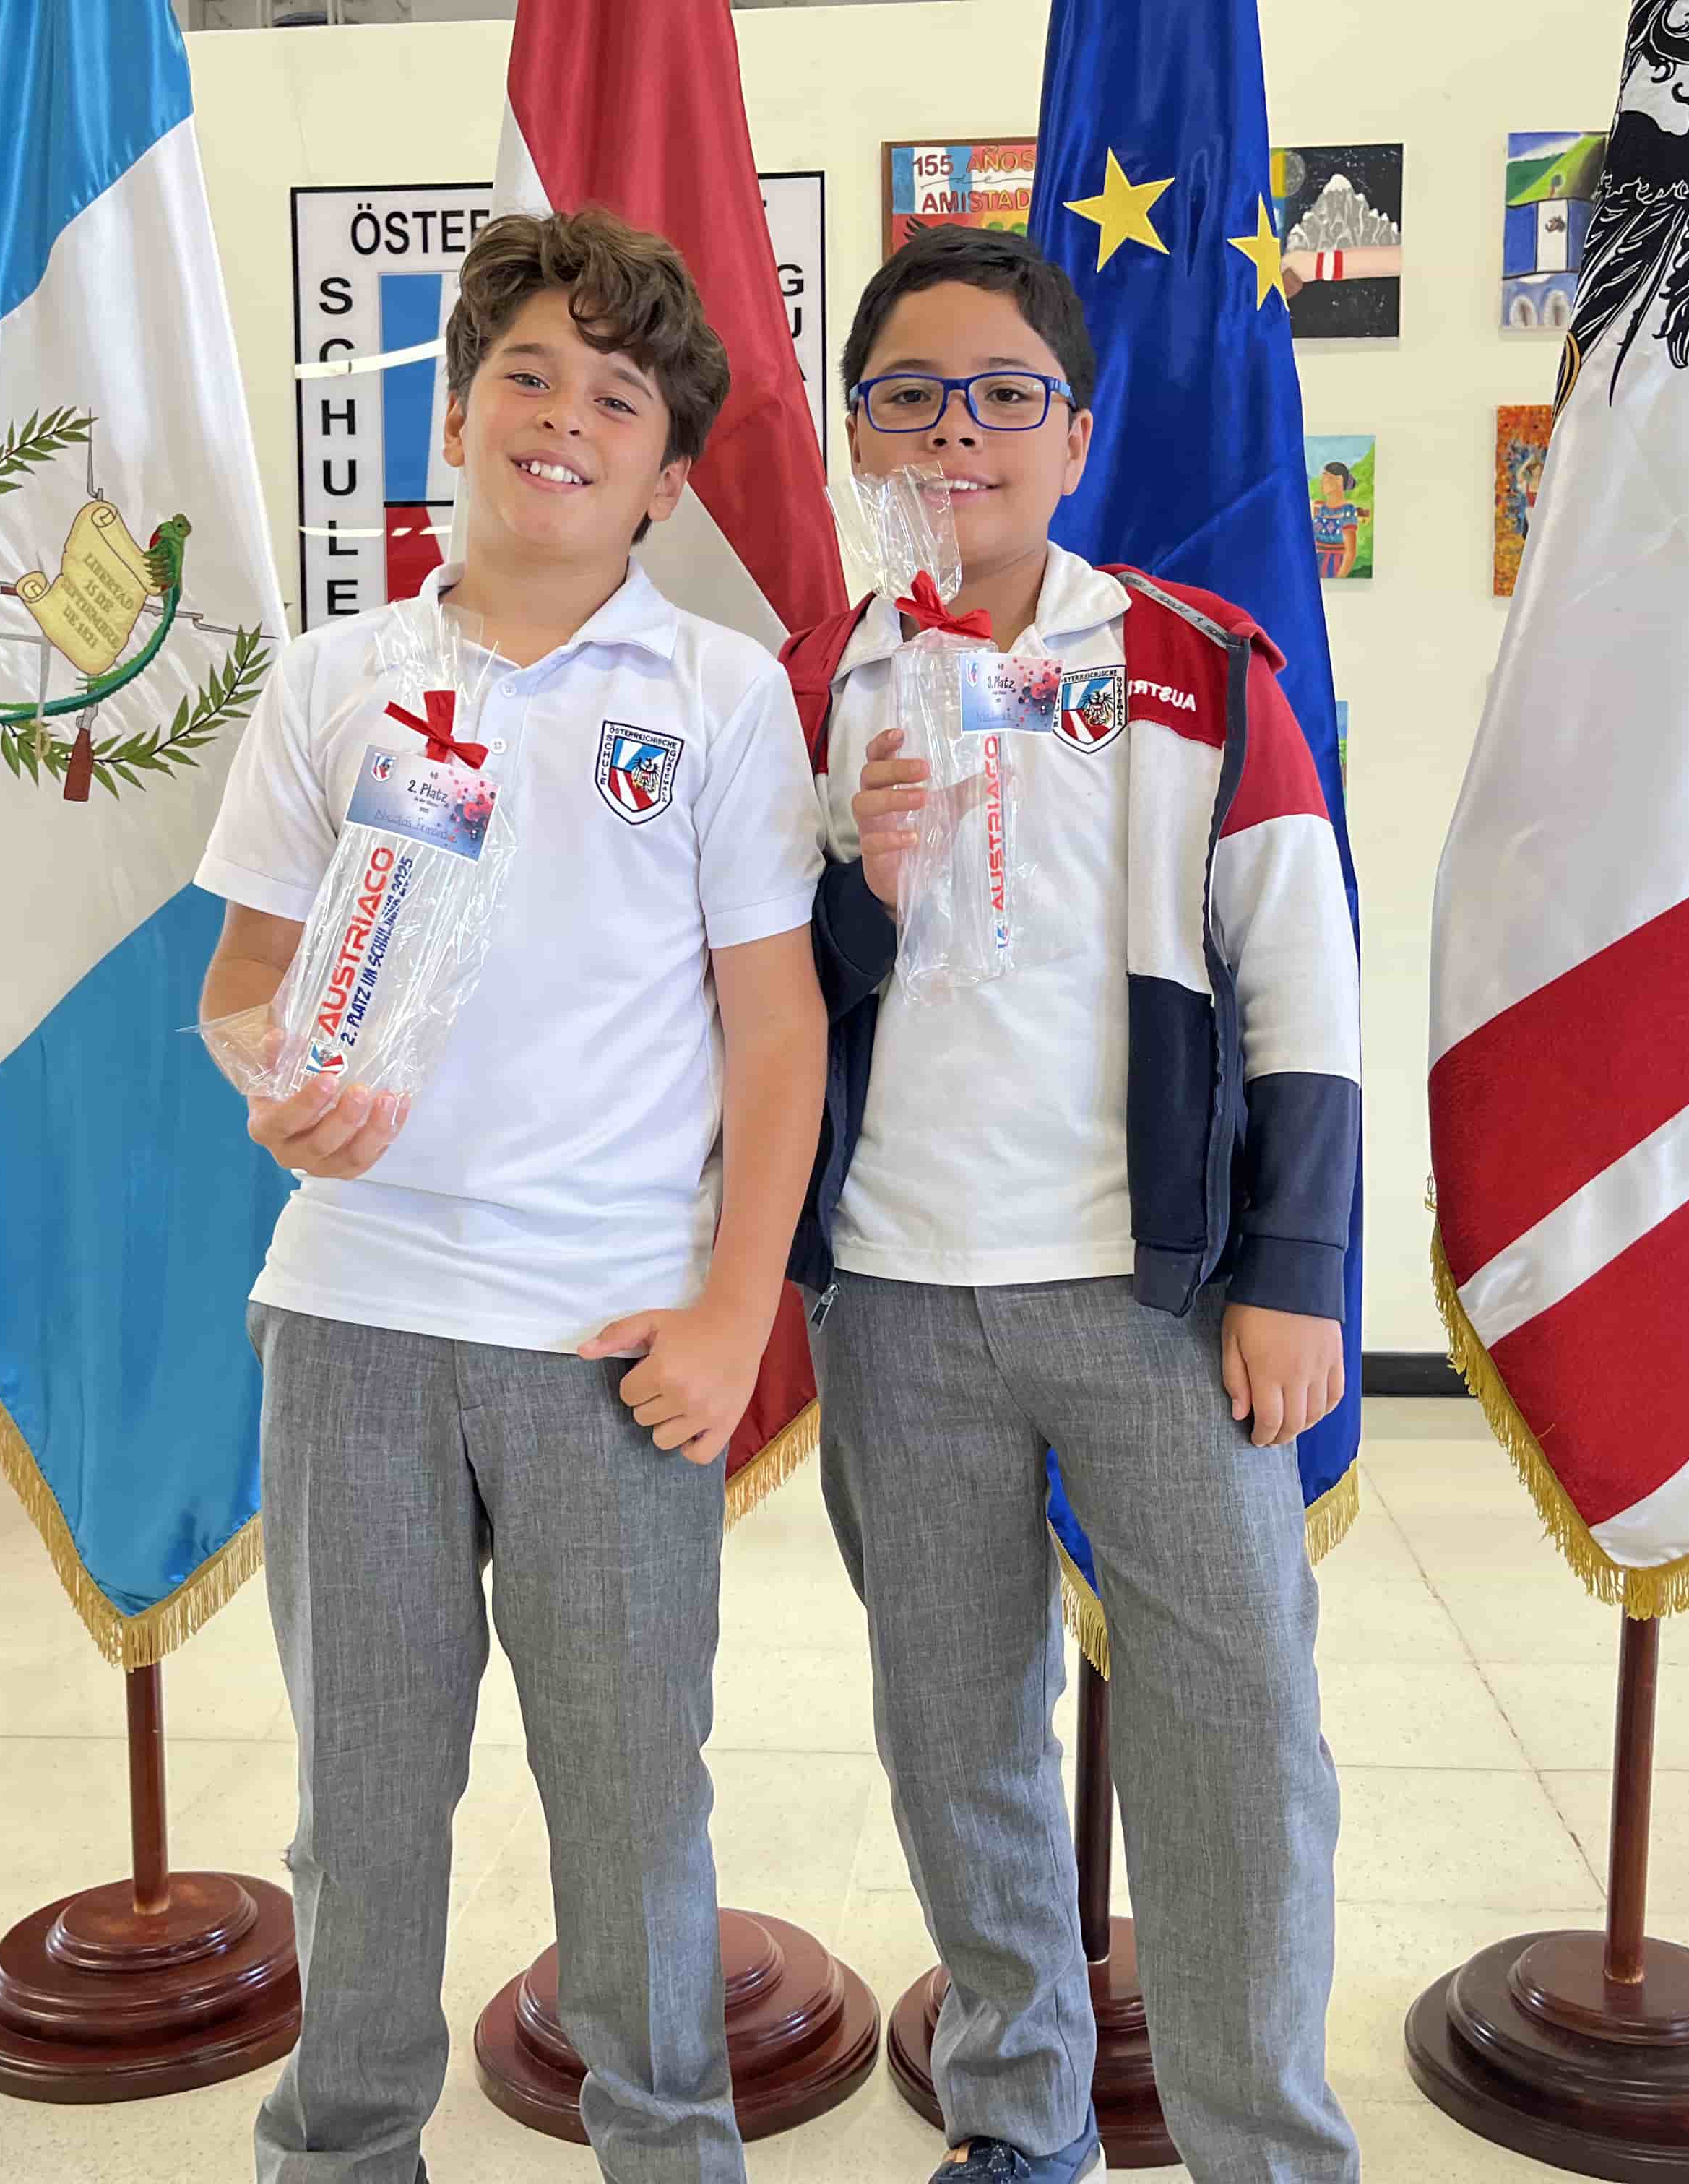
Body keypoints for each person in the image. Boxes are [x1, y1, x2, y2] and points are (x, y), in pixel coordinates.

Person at [194, 207, 826, 2184]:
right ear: (456, 415)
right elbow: (241, 990)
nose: (563, 419)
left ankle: (669, 2147)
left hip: (611, 1342)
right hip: (356, 1321)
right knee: (365, 1804)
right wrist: (279, 1087)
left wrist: (735, 1314)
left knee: (633, 1806)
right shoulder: (335, 683)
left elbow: (778, 1033)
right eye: (526, 376)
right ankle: (342, 2149)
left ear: (665, 473)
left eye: (615, 398)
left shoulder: (721, 695)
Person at [779, 224, 1363, 2184]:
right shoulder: (811, 682)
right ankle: (1017, 2125)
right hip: (896, 1302)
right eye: (910, 396)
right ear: (861, 432)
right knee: (957, 1738)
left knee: (1237, 1734)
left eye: (1004, 395)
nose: (959, 433)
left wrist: (1295, 1271)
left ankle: (1263, 2143)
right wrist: (854, 891)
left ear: (1076, 434)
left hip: (1158, 1303)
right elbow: (754, 1001)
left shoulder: (1196, 667)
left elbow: (1303, 983)